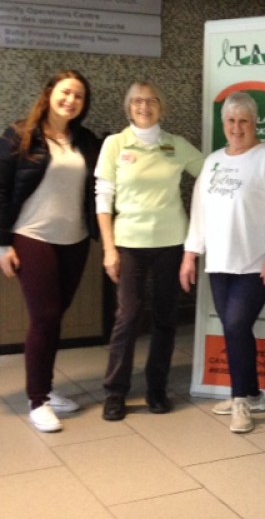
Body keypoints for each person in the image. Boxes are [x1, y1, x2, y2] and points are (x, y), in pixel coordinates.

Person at [180, 91, 265, 434]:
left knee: (234, 325)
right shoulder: (214, 161)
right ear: (223, 124)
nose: (237, 127)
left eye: (243, 120)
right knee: (235, 328)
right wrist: (191, 254)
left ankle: (241, 401)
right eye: (231, 121)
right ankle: (251, 393)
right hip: (219, 262)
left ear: (255, 122)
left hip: (258, 262)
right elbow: (199, 213)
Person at [95, 81, 204, 421]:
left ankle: (157, 389)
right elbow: (103, 198)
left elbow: (214, 171)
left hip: (171, 242)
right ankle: (115, 393)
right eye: (137, 101)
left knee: (165, 319)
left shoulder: (176, 145)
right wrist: (109, 249)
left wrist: (262, 165)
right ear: (129, 107)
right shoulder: (115, 145)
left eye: (152, 100)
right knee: (127, 318)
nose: (144, 106)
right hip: (129, 244)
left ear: (162, 107)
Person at [0, 70, 100, 433]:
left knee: (55, 315)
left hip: (73, 240)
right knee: (44, 317)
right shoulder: (20, 134)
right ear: (49, 93)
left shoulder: (85, 140)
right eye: (65, 92)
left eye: (78, 96)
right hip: (32, 236)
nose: (71, 100)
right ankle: (37, 400)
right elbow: (1, 189)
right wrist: (2, 244)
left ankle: (46, 387)